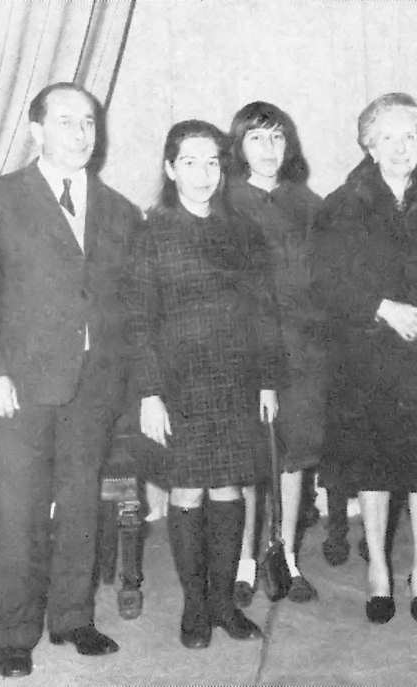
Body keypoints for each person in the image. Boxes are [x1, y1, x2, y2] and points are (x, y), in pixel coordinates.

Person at [0, 82, 138, 678]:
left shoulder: (119, 210)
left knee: (81, 506)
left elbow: (125, 304)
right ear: (36, 130)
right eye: (66, 121)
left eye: (88, 122)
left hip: (93, 387)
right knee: (21, 512)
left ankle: (73, 619)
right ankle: (15, 635)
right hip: (18, 388)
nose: (80, 133)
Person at [310, 92, 417, 624]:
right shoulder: (342, 204)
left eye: (410, 136)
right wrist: (381, 308)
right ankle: (378, 570)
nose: (401, 147)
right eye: (388, 138)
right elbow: (325, 279)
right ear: (369, 145)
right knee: (373, 467)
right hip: (368, 356)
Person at [125, 119, 282, 647]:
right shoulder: (150, 234)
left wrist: (266, 382)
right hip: (179, 384)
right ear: (170, 169)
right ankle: (195, 606)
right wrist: (150, 393)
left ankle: (223, 604)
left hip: (235, 379)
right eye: (190, 162)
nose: (203, 174)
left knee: (229, 487)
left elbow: (264, 314)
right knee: (188, 489)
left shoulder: (242, 231)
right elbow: (138, 320)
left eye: (212, 162)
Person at [226, 101, 323, 602]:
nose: (269, 148)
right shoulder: (225, 202)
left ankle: (285, 555)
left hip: (302, 350)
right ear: (239, 146)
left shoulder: (309, 204)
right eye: (257, 138)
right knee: (250, 458)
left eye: (278, 137)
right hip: (245, 351)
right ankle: (244, 560)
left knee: (294, 456)